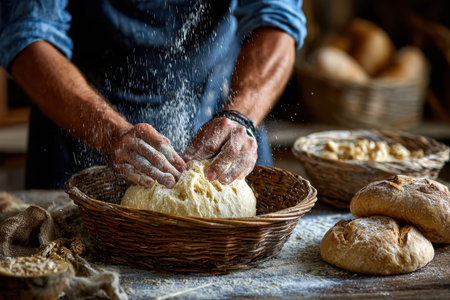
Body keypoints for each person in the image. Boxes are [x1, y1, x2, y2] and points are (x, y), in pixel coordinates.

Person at [0, 1, 306, 189]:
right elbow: (29, 33)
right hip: (79, 125)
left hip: (221, 118)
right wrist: (109, 133)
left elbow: (276, 19)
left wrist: (241, 115)